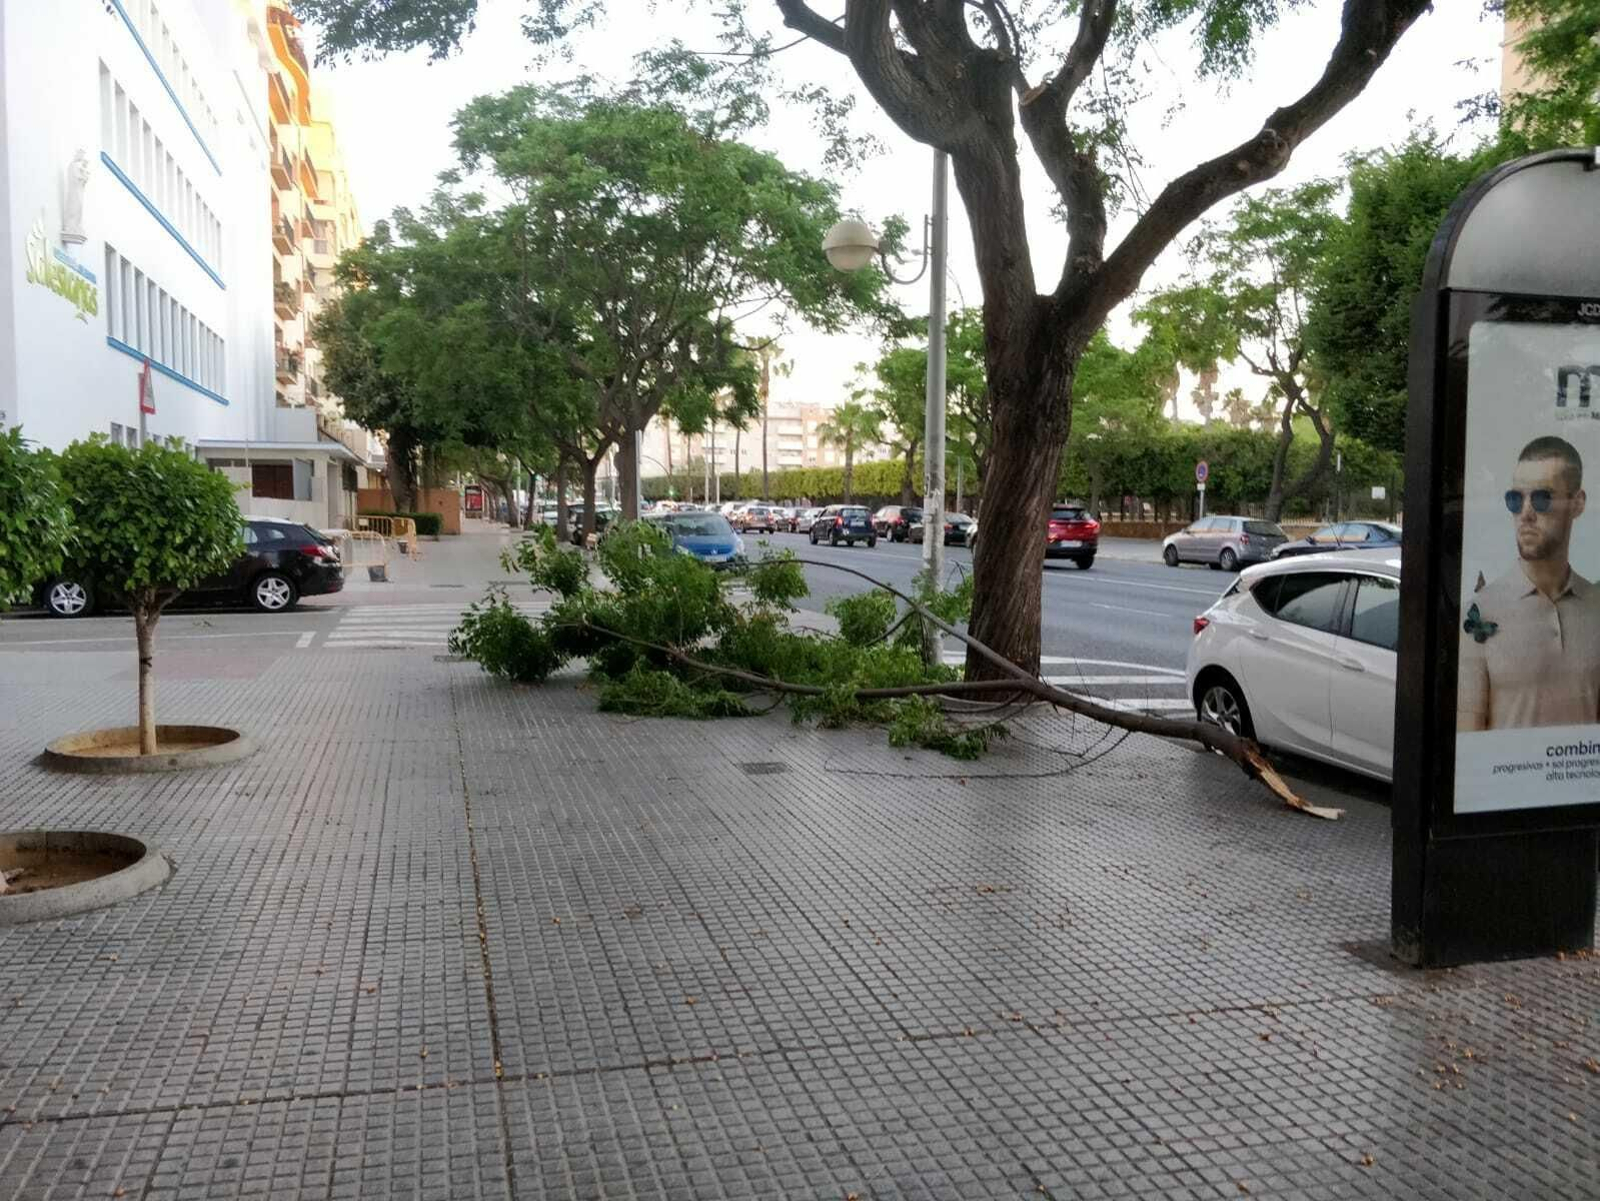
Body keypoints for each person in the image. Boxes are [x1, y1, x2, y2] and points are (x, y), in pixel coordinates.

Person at [1458, 436, 1600, 731]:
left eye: (1542, 498)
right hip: (1510, 776)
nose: (1525, 513)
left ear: (1577, 503)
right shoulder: (1478, 612)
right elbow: (1469, 738)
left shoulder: (1596, 605)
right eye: (1515, 499)